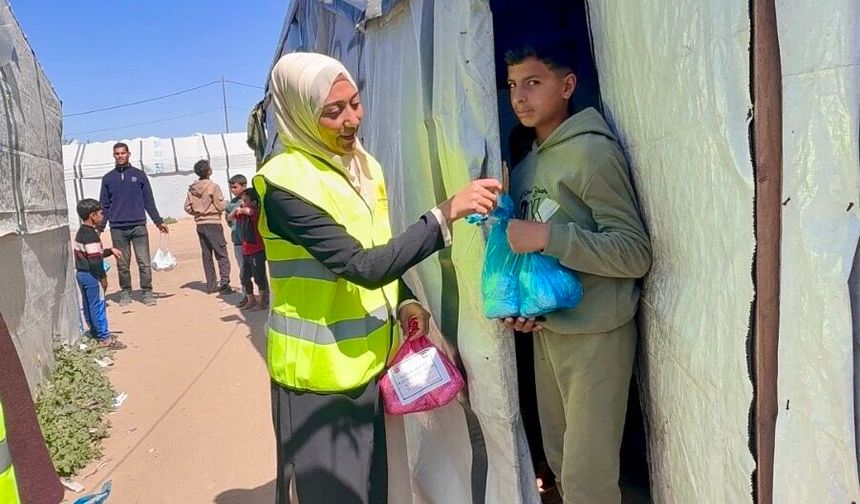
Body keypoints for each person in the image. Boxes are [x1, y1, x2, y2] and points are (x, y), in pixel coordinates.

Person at [254, 52, 501, 504]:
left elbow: (377, 250)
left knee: (373, 492)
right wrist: (444, 215)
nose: (351, 120)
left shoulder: (363, 167)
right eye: (333, 111)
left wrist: (405, 300)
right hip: (315, 383)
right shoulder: (284, 185)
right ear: (300, 113)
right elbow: (363, 266)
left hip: (369, 366)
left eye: (355, 103)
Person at [503, 45, 652, 504]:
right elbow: (532, 260)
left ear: (567, 86)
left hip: (597, 334)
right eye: (512, 86)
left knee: (590, 482)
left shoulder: (593, 154)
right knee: (561, 467)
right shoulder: (527, 166)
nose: (519, 97)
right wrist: (523, 309)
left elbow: (634, 253)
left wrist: (550, 236)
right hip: (550, 333)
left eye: (533, 82)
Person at [99, 142, 168, 307]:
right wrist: (100, 227)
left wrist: (158, 221)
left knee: (143, 261)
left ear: (129, 154)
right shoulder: (108, 178)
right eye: (117, 153)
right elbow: (104, 205)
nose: (120, 156)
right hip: (117, 228)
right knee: (122, 263)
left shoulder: (139, 175)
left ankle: (147, 291)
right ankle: (125, 292)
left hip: (138, 226)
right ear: (113, 155)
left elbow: (148, 201)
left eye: (123, 153)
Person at [73, 199, 127, 350]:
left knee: (89, 305)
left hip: (81, 274)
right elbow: (95, 261)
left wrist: (110, 250)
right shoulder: (91, 235)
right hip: (92, 275)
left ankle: (96, 332)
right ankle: (105, 338)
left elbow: (93, 253)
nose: (102, 216)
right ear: (92, 216)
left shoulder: (81, 232)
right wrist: (103, 278)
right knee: (98, 305)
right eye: (100, 213)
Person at [184, 159, 232, 294]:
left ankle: (211, 286)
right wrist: (229, 203)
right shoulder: (213, 187)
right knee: (222, 254)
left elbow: (187, 207)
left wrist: (197, 211)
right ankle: (224, 284)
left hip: (200, 224)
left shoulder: (192, 189)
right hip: (213, 223)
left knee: (207, 255)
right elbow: (219, 205)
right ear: (209, 171)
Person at [233, 188, 269, 310]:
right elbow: (230, 217)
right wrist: (238, 209)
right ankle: (251, 299)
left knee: (259, 276)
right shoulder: (243, 214)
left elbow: (250, 211)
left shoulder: (255, 212)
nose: (242, 202)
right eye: (242, 200)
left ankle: (262, 301)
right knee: (244, 276)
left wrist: (242, 209)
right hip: (246, 250)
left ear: (253, 202)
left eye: (245, 200)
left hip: (256, 250)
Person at [225, 174, 247, 278]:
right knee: (242, 267)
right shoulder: (231, 204)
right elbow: (229, 220)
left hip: (251, 240)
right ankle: (246, 292)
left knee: (258, 269)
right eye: (231, 188)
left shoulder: (250, 200)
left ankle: (263, 293)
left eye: (235, 187)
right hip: (238, 240)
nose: (233, 190)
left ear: (244, 186)